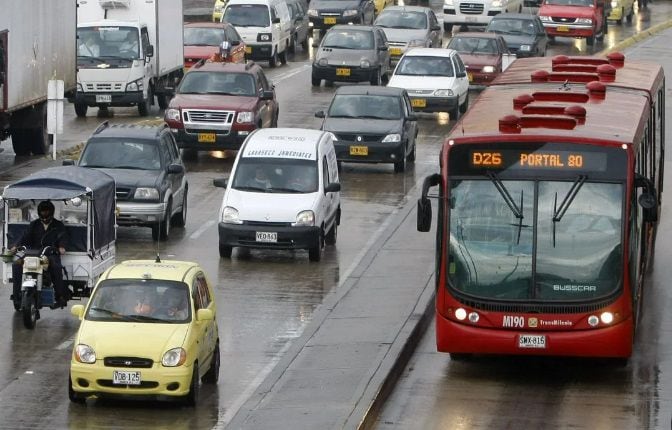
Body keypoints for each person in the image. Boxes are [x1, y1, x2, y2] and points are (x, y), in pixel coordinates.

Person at [10, 201, 69, 309]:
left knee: (56, 267)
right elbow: (24, 237)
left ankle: (60, 296)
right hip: (33, 253)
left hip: (50, 253)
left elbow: (63, 237)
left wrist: (61, 247)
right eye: (42, 211)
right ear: (39, 212)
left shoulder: (58, 225)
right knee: (16, 264)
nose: (44, 213)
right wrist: (15, 246)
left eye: (46, 211)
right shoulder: (34, 224)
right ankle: (17, 295)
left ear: (51, 212)